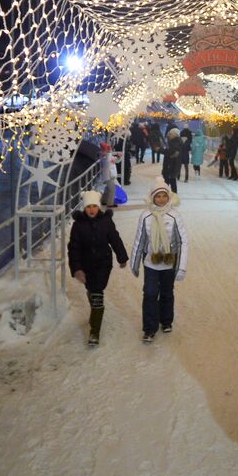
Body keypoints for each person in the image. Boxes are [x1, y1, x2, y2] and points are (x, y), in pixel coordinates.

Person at [67, 190, 129, 346]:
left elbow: (115, 239)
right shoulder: (78, 225)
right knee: (92, 291)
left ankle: (94, 331)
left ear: (98, 207)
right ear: (84, 208)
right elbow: (73, 248)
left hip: (103, 264)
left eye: (94, 206)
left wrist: (122, 257)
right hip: (86, 265)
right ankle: (95, 309)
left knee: (97, 295)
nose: (92, 210)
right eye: (88, 207)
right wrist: (77, 268)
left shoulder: (106, 222)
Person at [130, 183, 189, 342]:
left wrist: (181, 267)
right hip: (151, 263)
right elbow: (140, 240)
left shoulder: (175, 216)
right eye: (158, 196)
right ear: (152, 197)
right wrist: (134, 263)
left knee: (167, 292)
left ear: (169, 197)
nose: (161, 199)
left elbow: (183, 242)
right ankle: (149, 328)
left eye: (164, 196)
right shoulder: (145, 216)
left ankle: (166, 320)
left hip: (169, 263)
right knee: (149, 293)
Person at [96, 143, 119, 207]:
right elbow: (106, 158)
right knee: (112, 189)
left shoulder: (109, 156)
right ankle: (110, 203)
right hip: (108, 176)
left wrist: (118, 157)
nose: (110, 149)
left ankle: (104, 200)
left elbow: (116, 160)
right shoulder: (104, 156)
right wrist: (106, 150)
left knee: (108, 189)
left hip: (111, 175)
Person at [162, 127, 183, 192]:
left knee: (168, 180)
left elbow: (171, 152)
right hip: (173, 164)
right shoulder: (175, 141)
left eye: (170, 134)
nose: (169, 135)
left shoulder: (175, 142)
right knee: (172, 180)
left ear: (174, 135)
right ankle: (172, 194)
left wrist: (161, 150)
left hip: (171, 165)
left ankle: (168, 194)